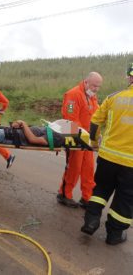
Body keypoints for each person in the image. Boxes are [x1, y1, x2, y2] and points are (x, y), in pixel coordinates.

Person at [81, 64, 133, 245]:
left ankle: (91, 221)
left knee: (100, 190)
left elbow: (95, 122)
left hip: (108, 157)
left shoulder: (114, 98)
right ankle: (114, 235)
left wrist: (94, 143)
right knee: (125, 199)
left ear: (129, 77)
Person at [57, 72, 103, 208]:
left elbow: (96, 115)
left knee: (88, 168)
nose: (96, 89)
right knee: (74, 167)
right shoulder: (73, 94)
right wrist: (83, 136)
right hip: (74, 137)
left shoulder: (92, 96)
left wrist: (96, 134)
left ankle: (87, 197)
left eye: (98, 86)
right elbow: (71, 119)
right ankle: (64, 194)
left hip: (87, 139)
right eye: (94, 85)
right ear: (86, 82)